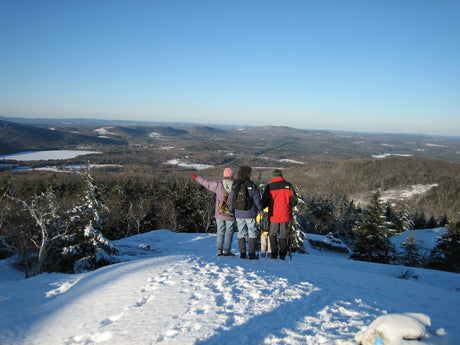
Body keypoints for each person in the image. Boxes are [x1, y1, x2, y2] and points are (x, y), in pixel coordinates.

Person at [191, 168, 235, 256]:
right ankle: (227, 250)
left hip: (220, 214)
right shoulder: (236, 187)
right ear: (232, 176)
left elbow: (206, 183)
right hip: (231, 214)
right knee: (229, 232)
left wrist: (196, 177)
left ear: (224, 175)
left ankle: (219, 250)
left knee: (220, 232)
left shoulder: (218, 185)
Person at [262, 169, 298, 260]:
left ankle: (274, 254)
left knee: (272, 234)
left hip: (273, 214)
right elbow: (294, 201)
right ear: (281, 176)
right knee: (283, 235)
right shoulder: (288, 186)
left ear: (273, 176)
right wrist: (288, 205)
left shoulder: (269, 187)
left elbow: (264, 202)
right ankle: (282, 255)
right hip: (285, 214)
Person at [229, 166, 262, 259]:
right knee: (252, 232)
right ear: (247, 174)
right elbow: (257, 199)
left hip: (239, 212)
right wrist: (260, 208)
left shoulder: (235, 184)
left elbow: (231, 198)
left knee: (241, 232)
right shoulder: (251, 185)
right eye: (250, 173)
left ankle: (242, 253)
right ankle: (251, 253)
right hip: (250, 212)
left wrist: (231, 209)